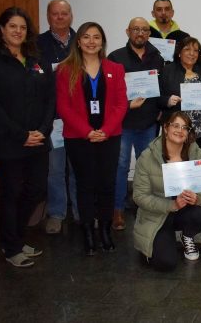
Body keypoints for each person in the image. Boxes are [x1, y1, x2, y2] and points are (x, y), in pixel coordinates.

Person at [0, 7, 55, 267]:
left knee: (37, 189)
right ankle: (11, 247)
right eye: (12, 27)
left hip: (38, 141)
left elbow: (49, 99)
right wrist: (21, 135)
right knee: (12, 193)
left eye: (22, 27)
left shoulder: (35, 61)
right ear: (1, 30)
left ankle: (16, 237)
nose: (18, 31)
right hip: (8, 143)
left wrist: (42, 130)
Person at [56, 22, 128, 256]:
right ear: (78, 41)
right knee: (84, 185)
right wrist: (87, 131)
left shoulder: (115, 69)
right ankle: (88, 232)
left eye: (96, 37)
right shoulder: (66, 70)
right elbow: (63, 107)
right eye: (86, 37)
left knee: (107, 184)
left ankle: (105, 230)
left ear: (102, 42)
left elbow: (120, 104)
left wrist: (106, 130)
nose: (91, 41)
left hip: (110, 135)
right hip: (78, 137)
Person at [133, 112, 201, 270]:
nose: (180, 130)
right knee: (166, 263)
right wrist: (172, 206)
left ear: (189, 132)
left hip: (185, 212)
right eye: (175, 125)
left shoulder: (198, 155)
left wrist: (197, 199)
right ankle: (154, 241)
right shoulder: (147, 157)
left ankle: (186, 235)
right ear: (165, 128)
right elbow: (139, 196)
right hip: (157, 215)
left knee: (200, 215)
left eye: (185, 127)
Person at [107, 17, 165, 231]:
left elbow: (161, 86)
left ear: (149, 33)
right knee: (121, 167)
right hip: (122, 122)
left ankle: (144, 207)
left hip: (149, 122)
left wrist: (160, 110)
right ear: (127, 31)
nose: (140, 33)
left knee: (145, 168)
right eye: (135, 29)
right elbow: (109, 91)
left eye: (144, 30)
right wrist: (125, 105)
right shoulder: (115, 57)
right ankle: (118, 209)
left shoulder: (157, 57)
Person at [37, 0, 79, 234]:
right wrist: (56, 68)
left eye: (65, 13)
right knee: (55, 168)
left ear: (71, 16)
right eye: (55, 14)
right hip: (53, 117)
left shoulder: (81, 40)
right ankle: (56, 213)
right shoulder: (38, 43)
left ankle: (80, 211)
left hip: (80, 116)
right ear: (48, 17)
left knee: (78, 167)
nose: (60, 17)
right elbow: (35, 74)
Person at [159, 37, 201, 153]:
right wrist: (168, 101)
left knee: (198, 166)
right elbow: (158, 99)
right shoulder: (167, 71)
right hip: (176, 130)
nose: (192, 53)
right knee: (175, 163)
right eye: (187, 49)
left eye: (196, 50)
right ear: (179, 52)